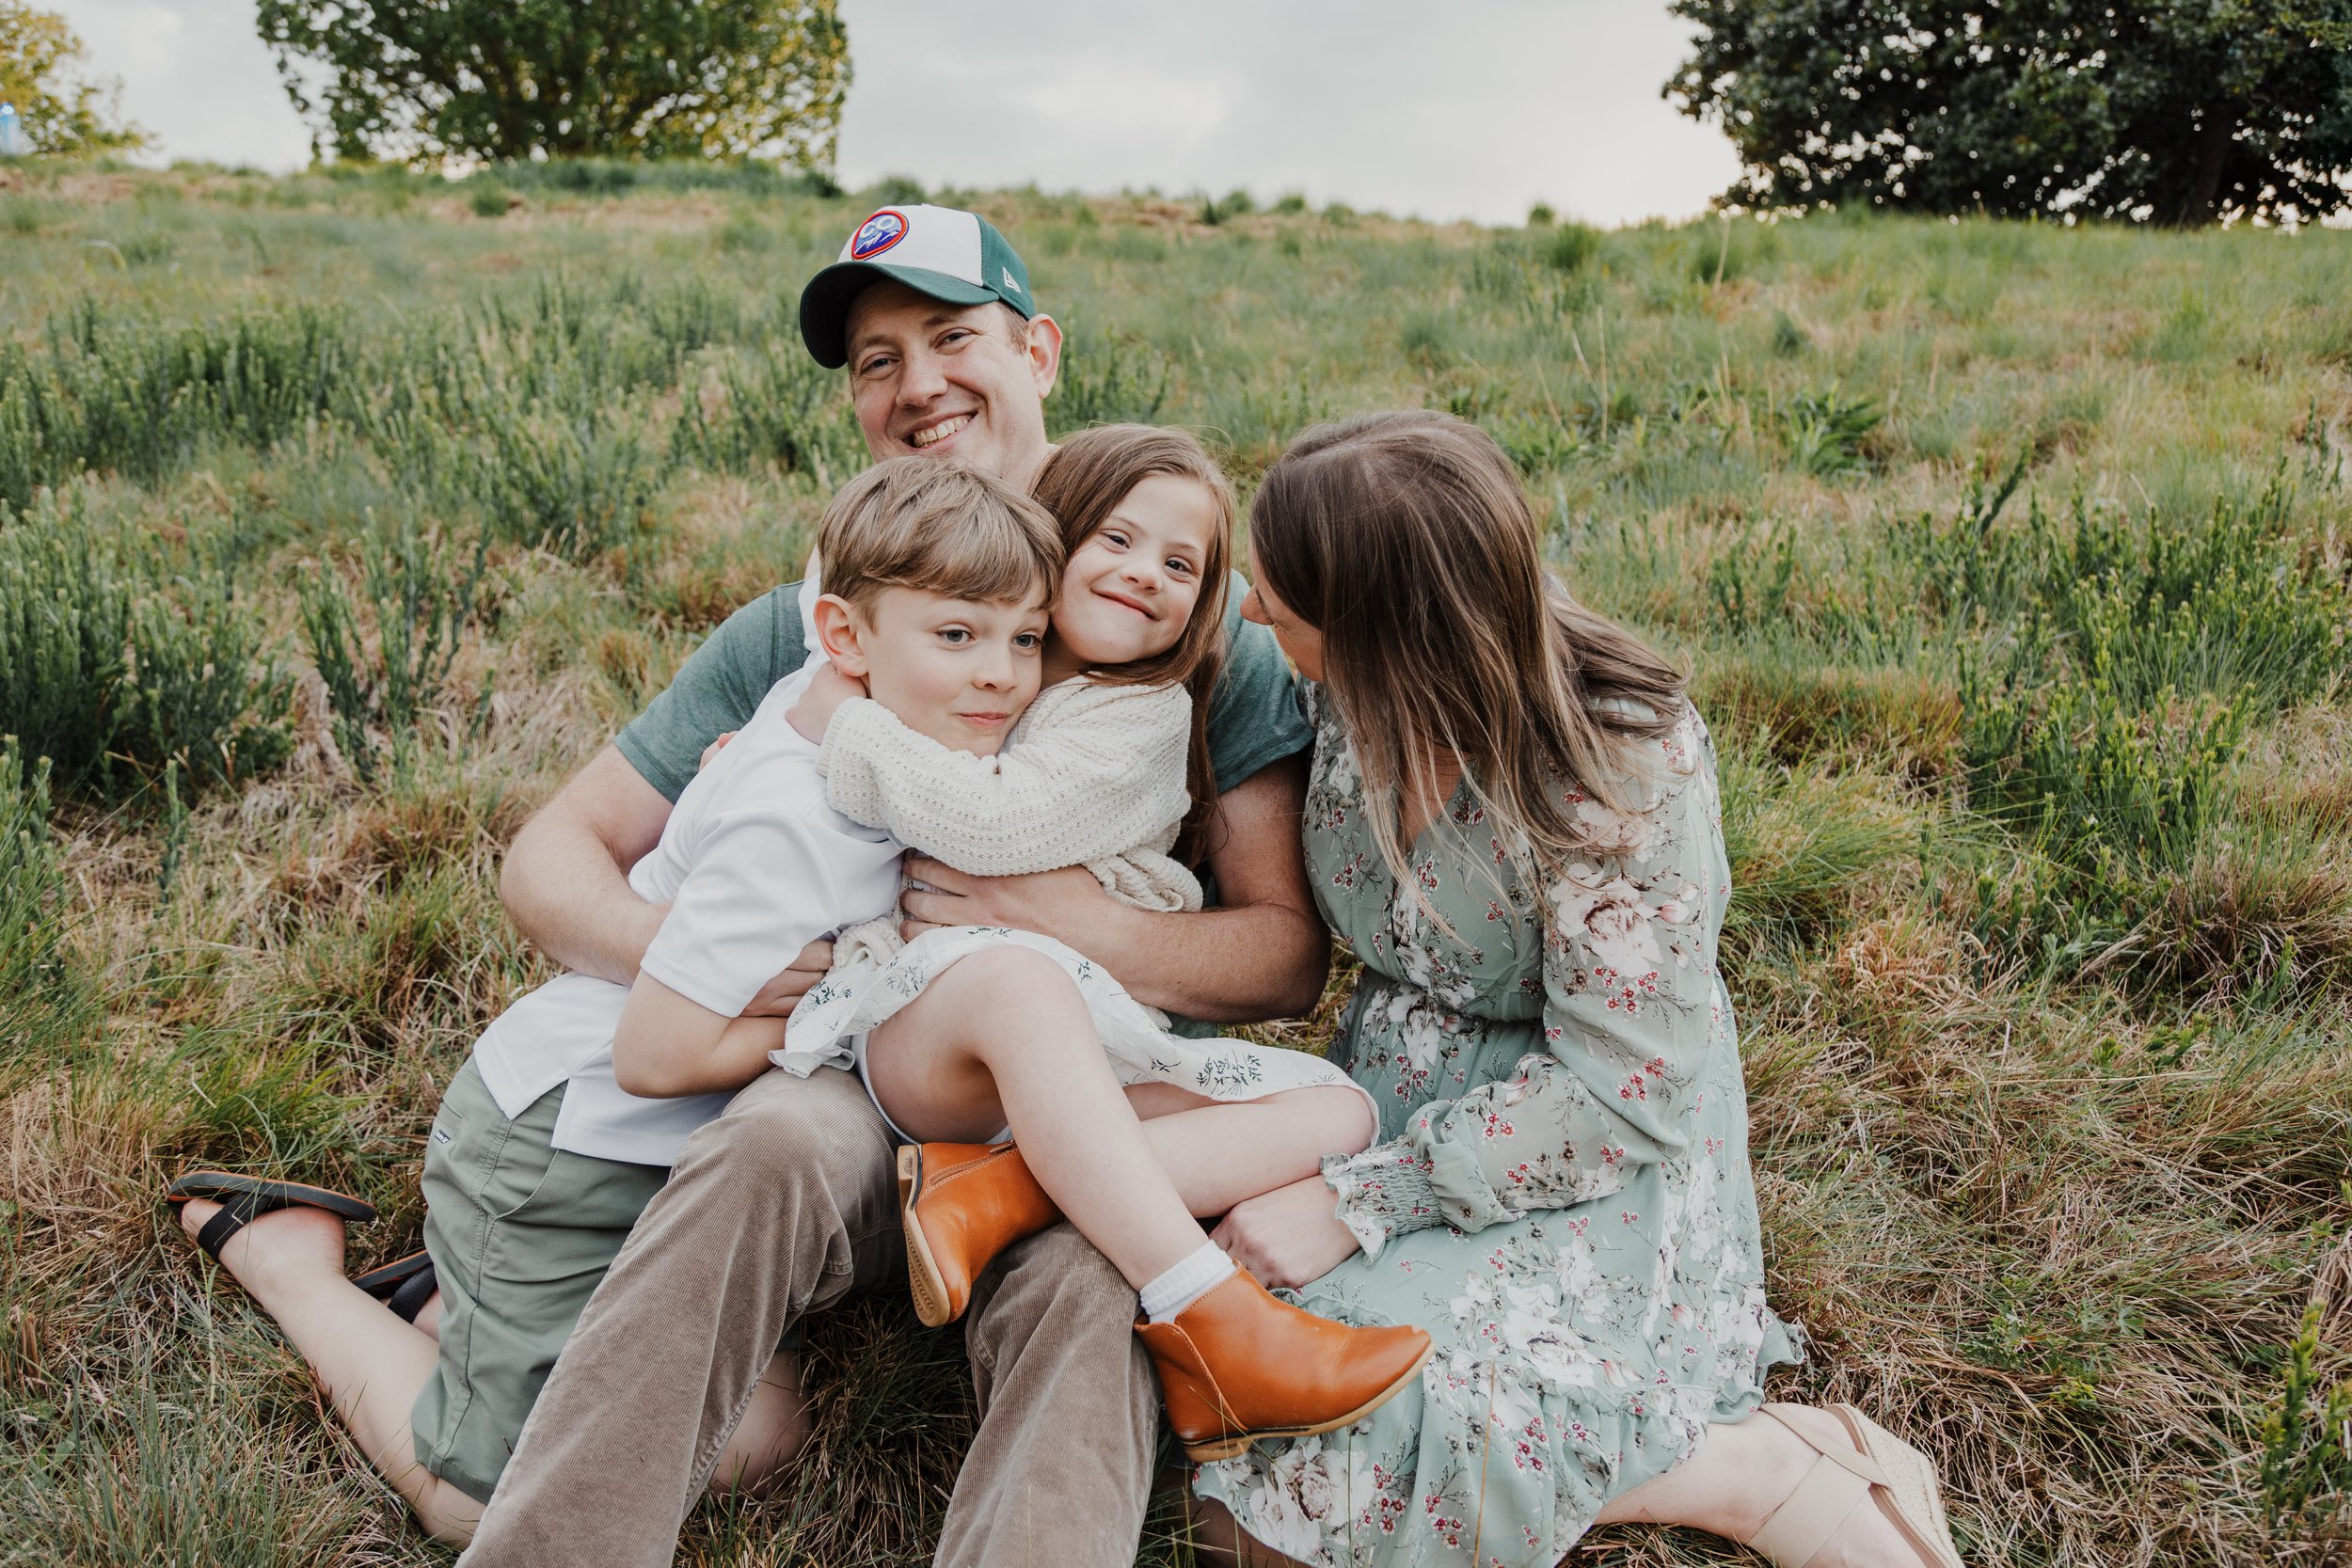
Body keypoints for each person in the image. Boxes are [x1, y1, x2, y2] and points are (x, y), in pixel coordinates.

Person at [462, 205, 1328, 1565]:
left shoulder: (1184, 620)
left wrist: (1071, 921)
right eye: (878, 361)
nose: (918, 384)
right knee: (770, 1143)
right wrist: (708, 964)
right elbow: (549, 854)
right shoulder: (828, 614)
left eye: (951, 337)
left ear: (1038, 351)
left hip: (1093, 1095)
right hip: (866, 1064)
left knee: (1093, 1266)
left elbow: (1284, 953)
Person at [164, 458, 1066, 1542]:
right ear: (842, 634)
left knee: (757, 1427)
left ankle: (464, 1305)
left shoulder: (859, 716)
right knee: (477, 1499)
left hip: (667, 1159)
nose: (1002, 674)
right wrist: (829, 1005)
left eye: (1026, 638)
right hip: (563, 1149)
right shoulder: (795, 826)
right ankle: (289, 1262)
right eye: (958, 635)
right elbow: (656, 1052)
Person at [1184, 410, 1964, 1568]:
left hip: (1575, 1135)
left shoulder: (1615, 756)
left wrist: (1358, 1200)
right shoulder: (1337, 688)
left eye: (1283, 598)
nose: (1253, 611)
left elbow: (1620, 1089)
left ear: (1390, 626)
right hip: (1383, 1087)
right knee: (1235, 1391)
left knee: (1351, 1428)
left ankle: (1761, 1469)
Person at [649, 422, 1426, 1455]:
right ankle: (1215, 1323)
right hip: (954, 1031)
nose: (1145, 573)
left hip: (1070, 1056)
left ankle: (996, 1191)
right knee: (1020, 989)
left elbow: (989, 822)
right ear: (1050, 544)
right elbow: (877, 768)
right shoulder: (956, 663)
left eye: (1181, 565)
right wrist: (785, 739)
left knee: (1343, 1112)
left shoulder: (1137, 716)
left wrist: (836, 724)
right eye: (1118, 539)